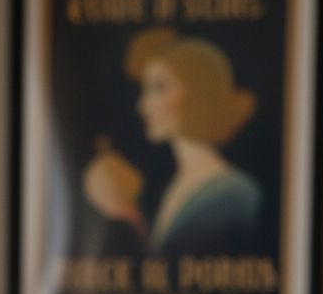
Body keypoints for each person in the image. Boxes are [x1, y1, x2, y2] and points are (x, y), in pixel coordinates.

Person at [83, 27, 261, 255]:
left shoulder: (231, 193)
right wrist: (127, 211)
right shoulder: (178, 183)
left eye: (158, 88)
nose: (143, 104)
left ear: (197, 93)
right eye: (144, 89)